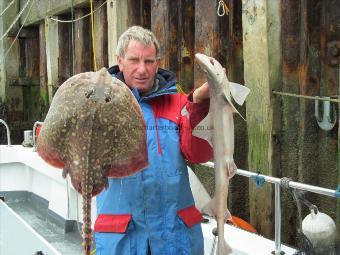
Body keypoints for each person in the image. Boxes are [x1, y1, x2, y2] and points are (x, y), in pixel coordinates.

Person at [94, 25, 213, 255]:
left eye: (149, 61)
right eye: (134, 60)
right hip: (123, 239)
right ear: (119, 60)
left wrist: (198, 104)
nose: (142, 69)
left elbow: (200, 154)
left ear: (158, 63)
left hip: (174, 237)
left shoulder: (178, 102)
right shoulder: (100, 100)